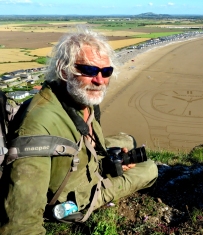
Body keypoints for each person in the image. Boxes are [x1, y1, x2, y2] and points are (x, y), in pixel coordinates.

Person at [0, 25, 158, 234]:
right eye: (89, 70)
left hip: (76, 161)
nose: (99, 80)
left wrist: (109, 161)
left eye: (106, 71)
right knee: (150, 168)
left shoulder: (77, 99)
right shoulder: (39, 127)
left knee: (126, 140)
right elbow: (20, 225)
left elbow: (84, 140)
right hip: (75, 197)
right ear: (64, 70)